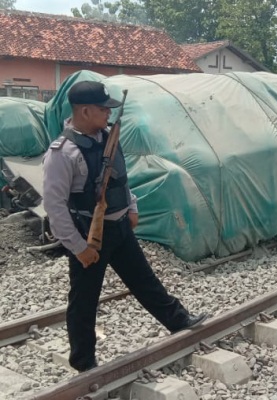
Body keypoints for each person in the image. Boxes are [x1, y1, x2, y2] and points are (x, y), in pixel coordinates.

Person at [42, 81, 209, 373]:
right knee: (84, 300)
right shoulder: (62, 153)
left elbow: (119, 179)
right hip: (89, 236)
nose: (109, 114)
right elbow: (55, 208)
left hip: (120, 227)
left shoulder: (108, 138)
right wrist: (79, 248)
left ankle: (178, 320)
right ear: (84, 111)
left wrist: (131, 207)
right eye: (103, 109)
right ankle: (83, 362)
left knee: (145, 281)